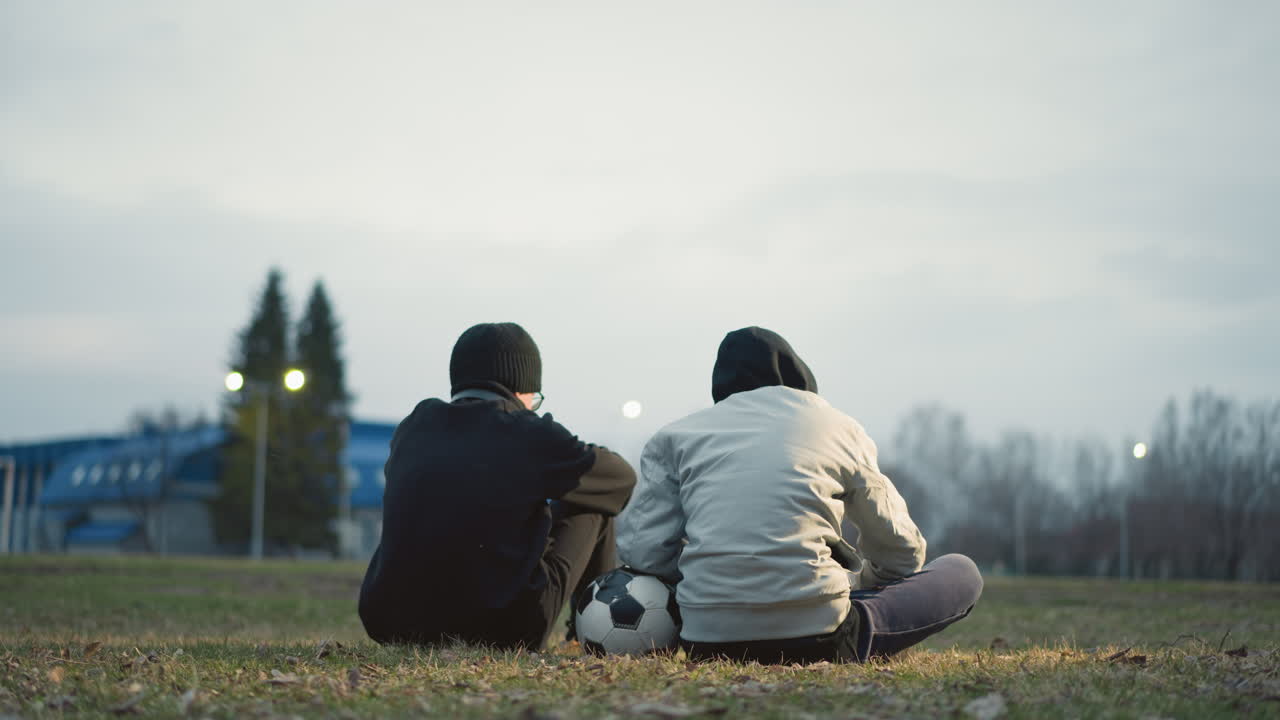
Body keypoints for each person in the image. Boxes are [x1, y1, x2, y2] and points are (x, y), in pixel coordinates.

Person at [617, 326, 982, 664]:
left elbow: (642, 552)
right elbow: (902, 553)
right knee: (962, 572)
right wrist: (861, 582)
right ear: (802, 381)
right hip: (821, 637)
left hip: (707, 642)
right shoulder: (839, 427)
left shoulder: (675, 437)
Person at [358, 322, 636, 650]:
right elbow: (620, 478)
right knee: (591, 496)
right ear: (521, 388)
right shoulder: (527, 432)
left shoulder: (414, 426)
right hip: (504, 627)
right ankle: (588, 636)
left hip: (391, 620)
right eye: (535, 397)